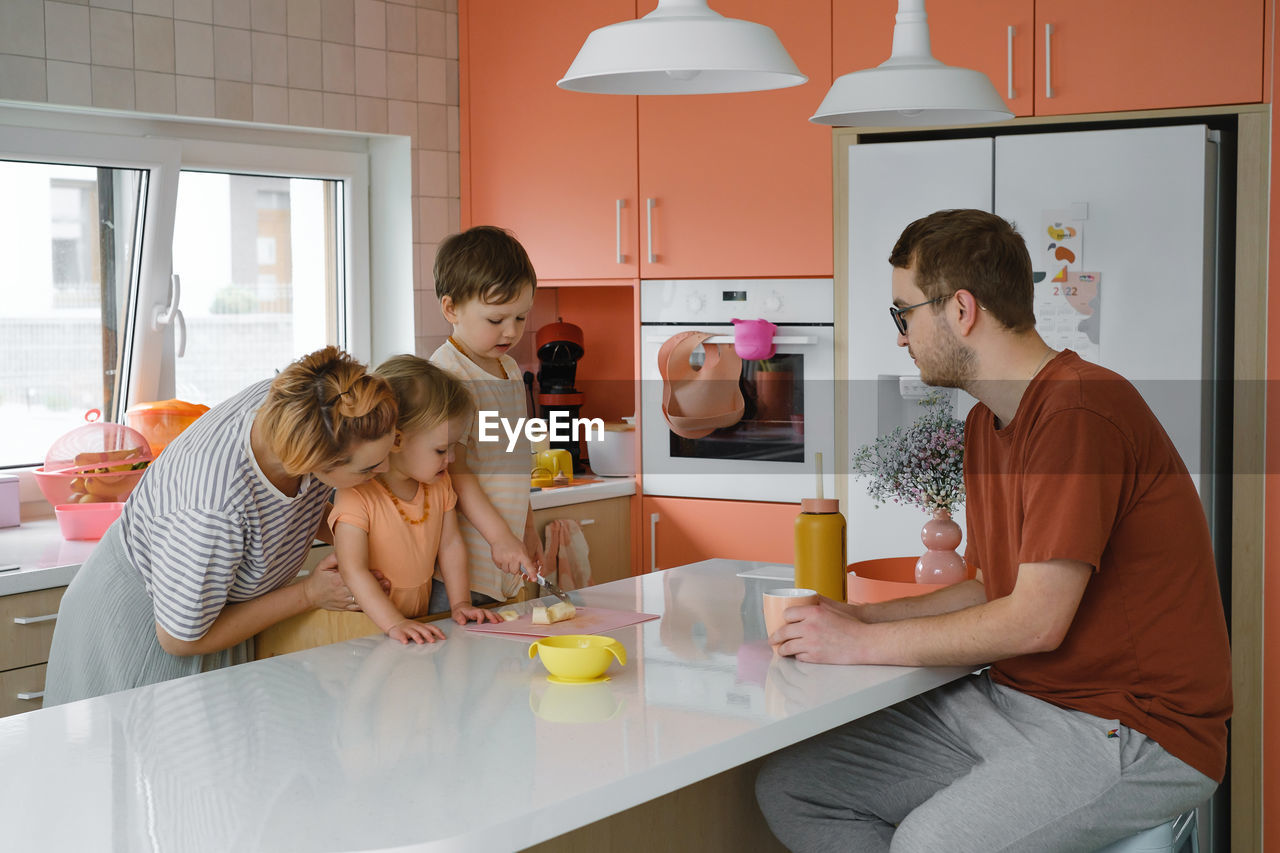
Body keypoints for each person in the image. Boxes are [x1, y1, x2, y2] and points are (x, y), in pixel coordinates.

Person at [756, 209, 1231, 851]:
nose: (901, 336)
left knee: (931, 844)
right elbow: (990, 587)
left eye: (904, 314)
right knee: (793, 786)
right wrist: (857, 620)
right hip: (1015, 703)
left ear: (960, 310)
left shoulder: (1080, 410)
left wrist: (856, 647)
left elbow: (1036, 621)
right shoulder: (989, 422)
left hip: (1131, 728)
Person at [45, 346, 401, 705]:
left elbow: (300, 501)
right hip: (133, 633)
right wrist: (310, 593)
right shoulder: (213, 506)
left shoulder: (305, 403)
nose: (382, 471)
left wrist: (368, 533)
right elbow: (180, 639)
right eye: (368, 469)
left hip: (206, 610)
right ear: (313, 460)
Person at [330, 355, 501, 644]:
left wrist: (459, 604)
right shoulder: (356, 496)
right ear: (396, 441)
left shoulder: (438, 485)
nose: (451, 459)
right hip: (363, 629)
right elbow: (352, 569)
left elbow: (450, 545)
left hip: (412, 625)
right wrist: (394, 623)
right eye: (440, 450)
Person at [429, 225, 543, 609]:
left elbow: (515, 461)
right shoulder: (448, 375)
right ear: (451, 309)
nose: (511, 331)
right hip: (465, 566)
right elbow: (454, 471)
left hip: (504, 558)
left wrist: (526, 529)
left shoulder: (508, 368)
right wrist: (499, 537)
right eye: (496, 320)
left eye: (521, 318)